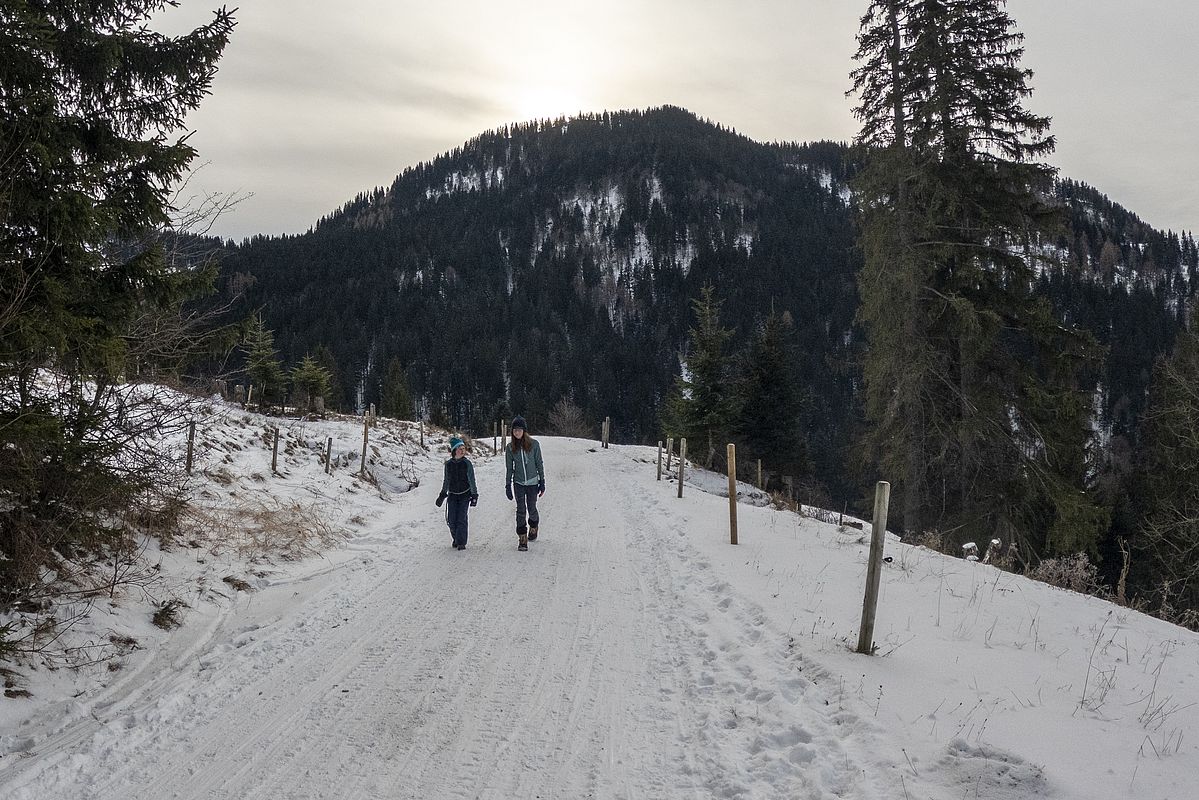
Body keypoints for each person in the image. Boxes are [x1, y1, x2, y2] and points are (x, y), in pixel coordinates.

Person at [504, 416, 545, 551]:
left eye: (519, 430)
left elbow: (539, 463)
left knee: (531, 508)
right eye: (515, 430)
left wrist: (542, 481)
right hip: (519, 483)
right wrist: (508, 485)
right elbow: (509, 468)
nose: (517, 433)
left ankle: (534, 526)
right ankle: (522, 537)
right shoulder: (510, 448)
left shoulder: (534, 445)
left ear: (524, 431)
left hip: (533, 482)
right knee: (521, 510)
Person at [436, 436, 478, 550]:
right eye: (460, 448)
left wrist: (474, 495)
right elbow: (446, 480)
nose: (462, 450)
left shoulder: (467, 463)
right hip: (453, 495)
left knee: (461, 519)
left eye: (463, 448)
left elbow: (472, 479)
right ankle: (456, 538)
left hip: (465, 495)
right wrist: (442, 494)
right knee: (451, 520)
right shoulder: (448, 464)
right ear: (454, 450)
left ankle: (461, 542)